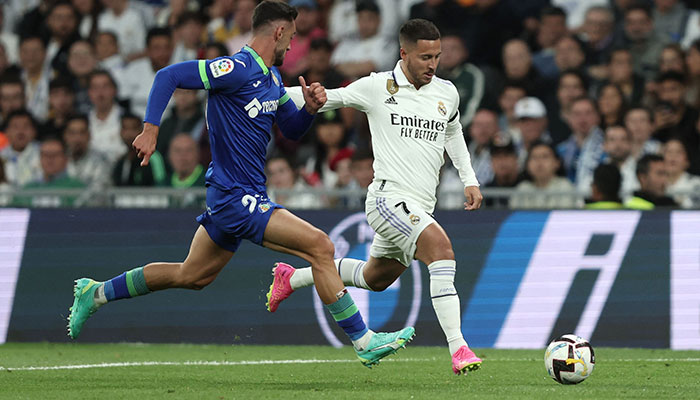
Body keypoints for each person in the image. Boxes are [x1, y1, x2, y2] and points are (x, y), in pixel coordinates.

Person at [67, 0, 414, 368]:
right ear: (278, 31)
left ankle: (97, 292)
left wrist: (310, 110)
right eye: (291, 38)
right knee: (320, 246)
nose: (291, 47)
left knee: (192, 274)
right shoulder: (235, 68)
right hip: (236, 196)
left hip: (240, 194)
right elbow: (167, 76)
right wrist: (150, 129)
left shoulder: (272, 79)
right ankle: (363, 340)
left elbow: (292, 130)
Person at [281, 19, 483, 375]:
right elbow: (328, 96)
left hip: (419, 205)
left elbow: (454, 131)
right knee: (441, 251)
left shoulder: (446, 92)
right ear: (404, 53)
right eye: (424, 57)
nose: (432, 64)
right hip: (387, 200)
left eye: (437, 56)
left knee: (375, 279)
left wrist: (469, 178)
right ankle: (459, 348)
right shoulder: (377, 86)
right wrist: (270, 92)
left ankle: (292, 278)